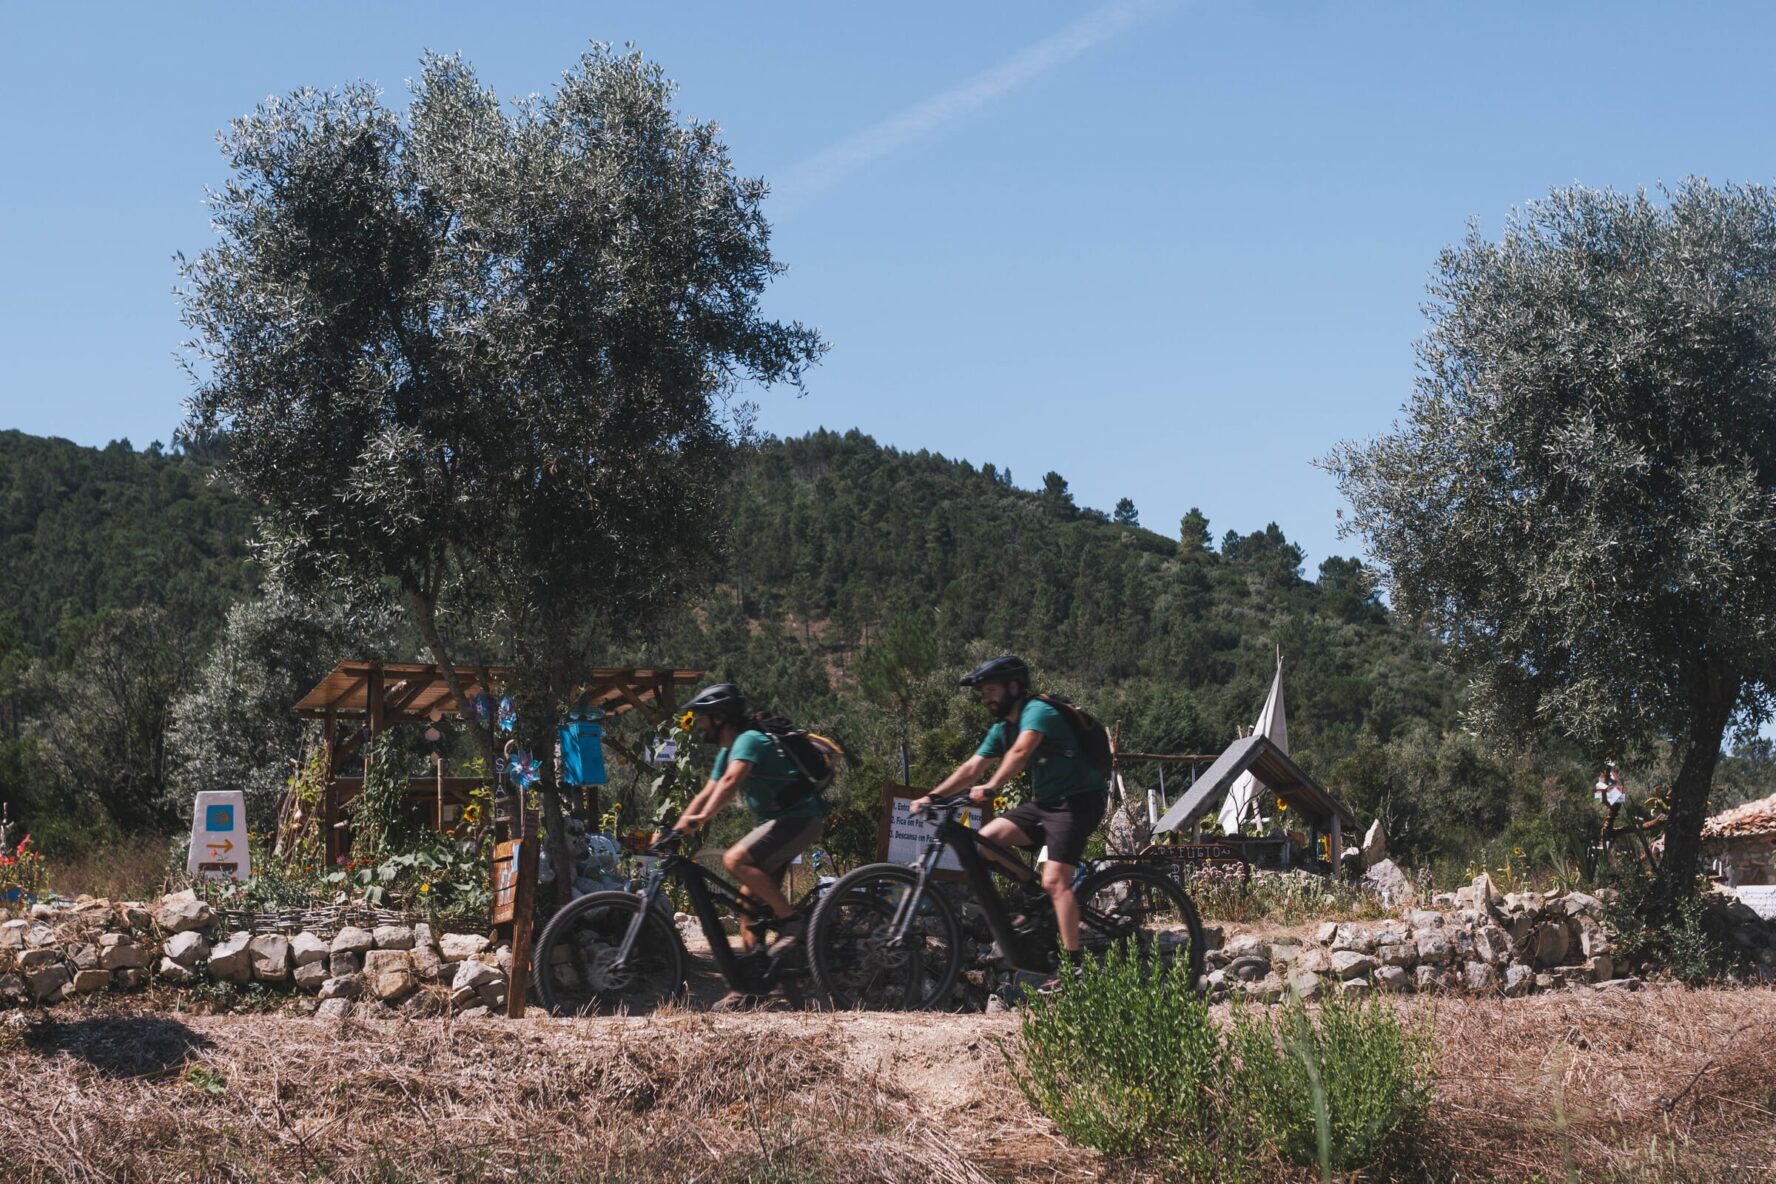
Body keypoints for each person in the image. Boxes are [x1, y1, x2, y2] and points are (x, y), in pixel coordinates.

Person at [911, 656, 1109, 978]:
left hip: (1077, 802)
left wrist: (991, 787)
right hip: (1045, 803)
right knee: (987, 840)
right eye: (983, 692)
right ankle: (1036, 894)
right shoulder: (1003, 728)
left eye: (991, 689)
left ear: (1014, 687)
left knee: (1056, 880)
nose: (986, 697)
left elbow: (1020, 753)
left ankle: (1074, 968)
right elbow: (971, 767)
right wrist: (933, 796)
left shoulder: (1038, 712)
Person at [669, 682, 825, 982]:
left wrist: (699, 820)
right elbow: (707, 791)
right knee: (747, 906)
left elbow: (730, 783)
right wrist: (675, 829)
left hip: (800, 818)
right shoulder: (728, 750)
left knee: (735, 860)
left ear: (720, 717)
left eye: (703, 717)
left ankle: (792, 921)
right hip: (779, 822)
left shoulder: (748, 740)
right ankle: (750, 987)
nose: (699, 725)